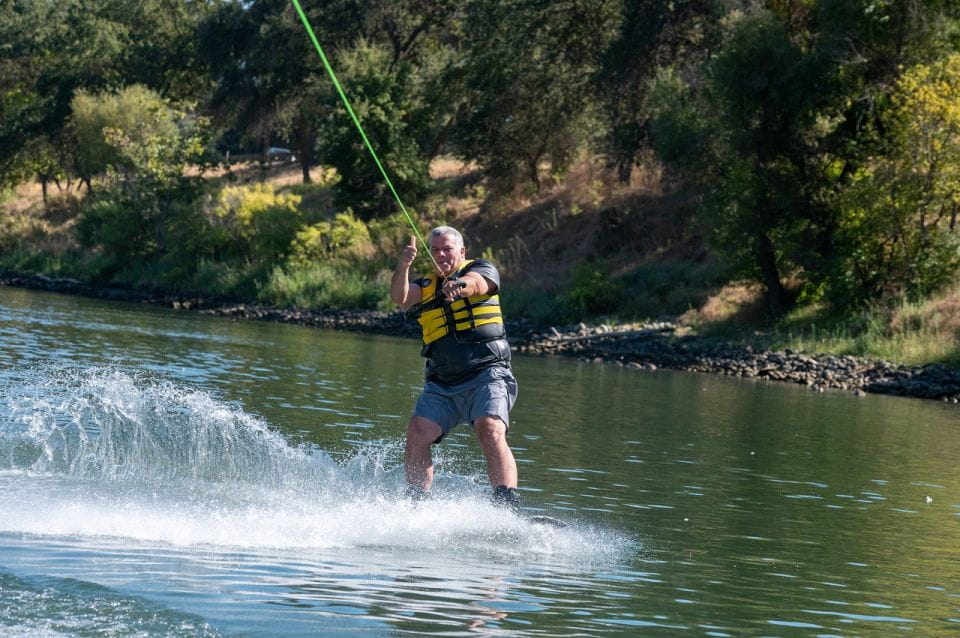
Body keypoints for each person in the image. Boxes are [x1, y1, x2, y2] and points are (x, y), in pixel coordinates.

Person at [390, 226, 520, 509]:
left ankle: (506, 506)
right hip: (442, 382)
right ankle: (416, 505)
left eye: (446, 249)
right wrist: (403, 266)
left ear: (461, 251)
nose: (440, 255)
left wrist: (459, 286)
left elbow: (477, 283)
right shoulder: (426, 287)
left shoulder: (482, 269)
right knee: (417, 431)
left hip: (487, 373)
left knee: (489, 428)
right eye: (435, 250)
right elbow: (400, 297)